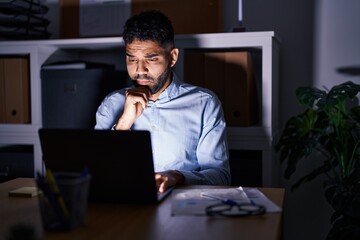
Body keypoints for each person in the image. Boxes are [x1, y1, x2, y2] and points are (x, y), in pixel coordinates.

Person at [95, 10, 231, 192]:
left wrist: (177, 176)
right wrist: (122, 125)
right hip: (126, 207)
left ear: (172, 57)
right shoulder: (112, 104)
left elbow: (220, 177)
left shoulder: (204, 104)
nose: (139, 70)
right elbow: (97, 171)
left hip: (181, 207)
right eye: (132, 59)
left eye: (151, 59)